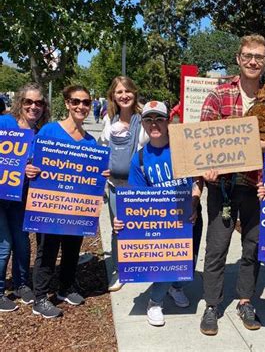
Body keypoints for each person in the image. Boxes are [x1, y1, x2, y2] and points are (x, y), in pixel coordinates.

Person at [199, 34, 265, 336]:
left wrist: (253, 143)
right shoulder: (218, 95)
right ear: (238, 59)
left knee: (253, 248)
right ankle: (212, 304)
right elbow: (203, 139)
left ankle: (245, 300)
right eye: (248, 55)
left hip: (258, 186)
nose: (253, 61)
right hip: (222, 186)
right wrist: (206, 170)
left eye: (259, 57)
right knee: (216, 248)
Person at [113, 101, 203, 326]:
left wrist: (194, 200)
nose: (154, 124)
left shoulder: (184, 148)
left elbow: (198, 179)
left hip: (189, 216)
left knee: (188, 263)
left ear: (168, 122)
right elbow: (137, 199)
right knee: (167, 263)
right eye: (149, 120)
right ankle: (154, 301)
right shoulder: (140, 159)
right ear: (143, 123)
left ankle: (176, 287)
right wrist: (122, 219)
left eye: (159, 119)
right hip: (162, 223)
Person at [27, 85, 108, 318]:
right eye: (75, 102)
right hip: (49, 204)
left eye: (85, 102)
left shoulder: (91, 142)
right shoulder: (49, 131)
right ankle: (40, 297)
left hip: (76, 207)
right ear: (66, 104)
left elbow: (92, 173)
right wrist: (29, 169)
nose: (80, 106)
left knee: (73, 247)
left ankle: (65, 287)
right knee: (47, 249)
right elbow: (32, 159)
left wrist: (100, 175)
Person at [0, 83, 50, 312]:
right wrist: (20, 169)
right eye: (28, 101)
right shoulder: (4, 124)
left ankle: (21, 284)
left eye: (39, 102)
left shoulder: (39, 135)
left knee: (22, 244)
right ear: (20, 102)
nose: (33, 106)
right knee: (4, 245)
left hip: (21, 198)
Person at [99, 76, 147, 292]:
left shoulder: (144, 117)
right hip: (116, 186)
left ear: (134, 93)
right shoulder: (109, 120)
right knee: (118, 227)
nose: (124, 95)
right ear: (113, 96)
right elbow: (103, 147)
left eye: (127, 91)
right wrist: (104, 166)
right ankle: (120, 269)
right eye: (119, 92)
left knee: (143, 227)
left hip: (140, 186)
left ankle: (141, 264)